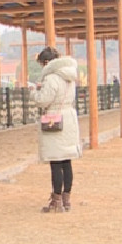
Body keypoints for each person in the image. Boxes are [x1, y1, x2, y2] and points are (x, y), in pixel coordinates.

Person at [30, 46, 82, 213]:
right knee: (67, 161)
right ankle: (66, 199)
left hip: (54, 118)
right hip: (69, 118)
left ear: (46, 62)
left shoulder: (52, 77)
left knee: (56, 161)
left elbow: (43, 100)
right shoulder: (69, 76)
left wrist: (33, 92)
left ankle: (56, 200)